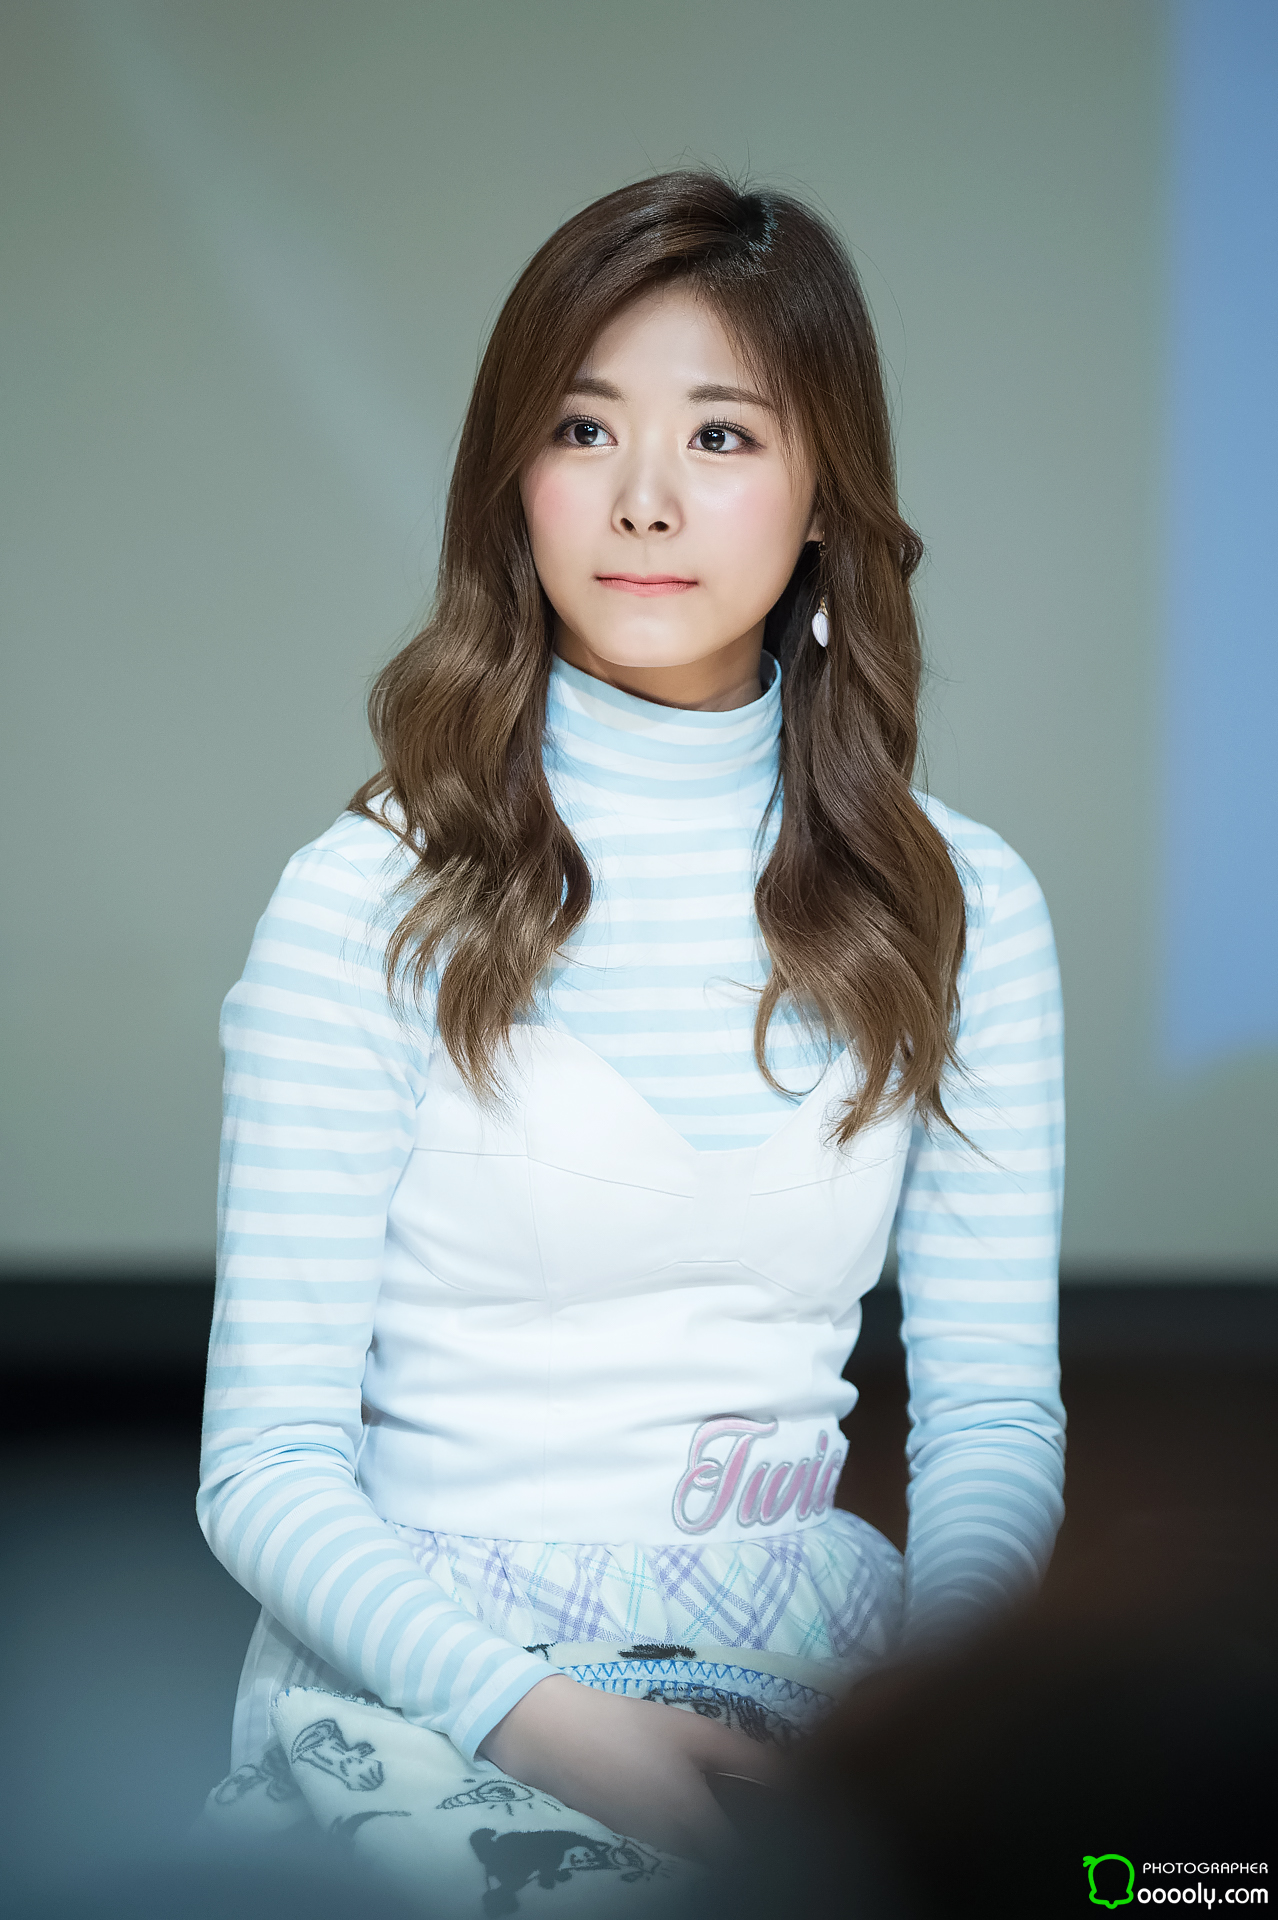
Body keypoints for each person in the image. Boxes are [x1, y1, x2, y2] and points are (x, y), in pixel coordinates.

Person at [198, 172, 1066, 1870]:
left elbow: (987, 1425)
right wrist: (553, 1729)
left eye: (722, 437)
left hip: (824, 1673)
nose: (646, 501)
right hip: (441, 1693)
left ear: (822, 499)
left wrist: (935, 1728)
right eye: (584, 431)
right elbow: (266, 1467)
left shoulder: (961, 901)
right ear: (513, 483)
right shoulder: (364, 897)